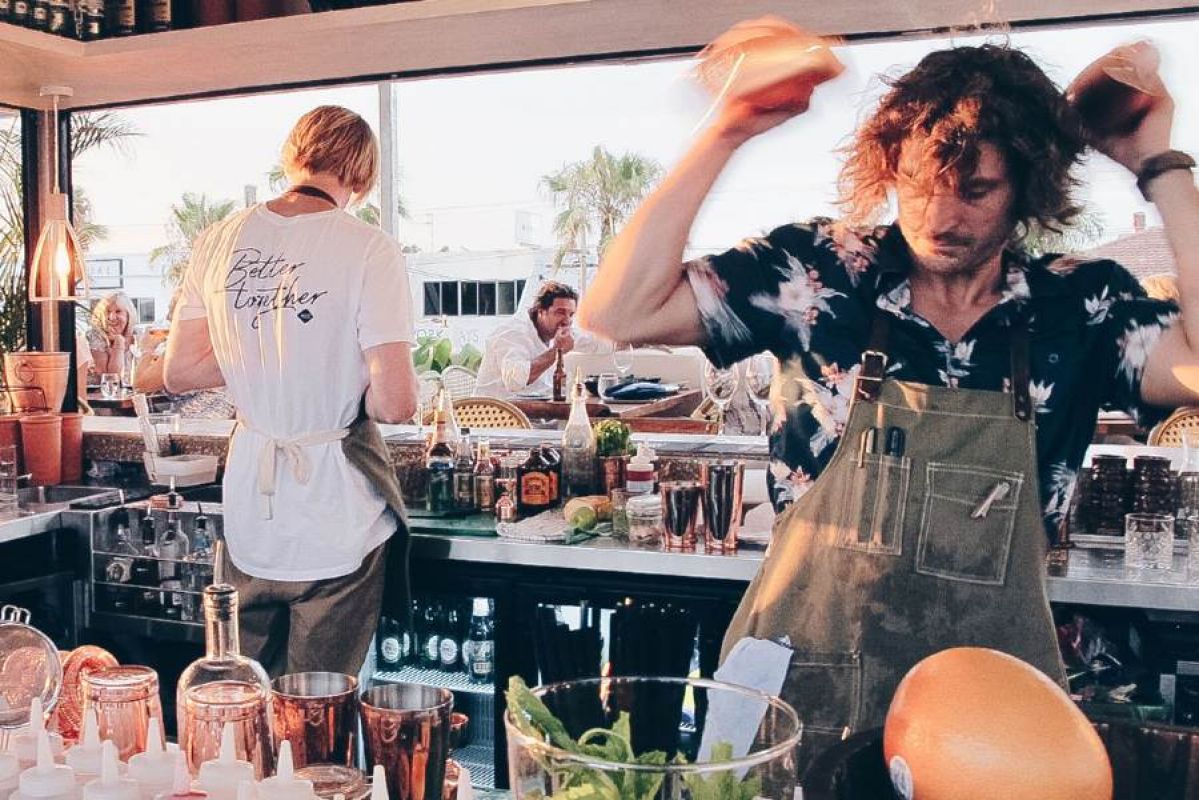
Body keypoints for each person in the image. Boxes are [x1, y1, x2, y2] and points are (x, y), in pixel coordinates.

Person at [579, 30, 1199, 764]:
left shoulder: (1078, 305)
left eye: (975, 190)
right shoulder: (821, 274)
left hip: (987, 714)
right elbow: (617, 313)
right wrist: (728, 127)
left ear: (1026, 190)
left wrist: (1156, 167)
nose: (940, 216)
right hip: (804, 684)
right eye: (919, 183)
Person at [164, 105, 418, 676]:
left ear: (294, 156)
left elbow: (180, 371)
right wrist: (343, 385)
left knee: (241, 704)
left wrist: (264, 364)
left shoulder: (216, 240)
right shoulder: (368, 247)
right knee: (316, 716)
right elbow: (397, 402)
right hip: (338, 514)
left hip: (253, 511)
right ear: (361, 176)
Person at [475, 280, 610, 397]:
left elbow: (597, 344)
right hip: (496, 418)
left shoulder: (560, 332)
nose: (567, 321)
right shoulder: (512, 333)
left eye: (571, 314)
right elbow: (515, 381)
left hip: (537, 415)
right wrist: (557, 351)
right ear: (541, 311)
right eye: (560, 312)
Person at [133, 292, 234, 419]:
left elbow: (141, 385)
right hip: (222, 424)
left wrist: (146, 349)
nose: (168, 318)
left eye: (171, 312)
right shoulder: (220, 340)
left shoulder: (185, 346)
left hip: (192, 426)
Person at [87, 291, 137, 381]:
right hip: (100, 393)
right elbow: (111, 379)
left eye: (118, 311)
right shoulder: (96, 336)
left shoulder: (138, 336)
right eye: (108, 311)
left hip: (135, 392)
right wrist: (119, 342)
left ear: (129, 315)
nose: (112, 317)